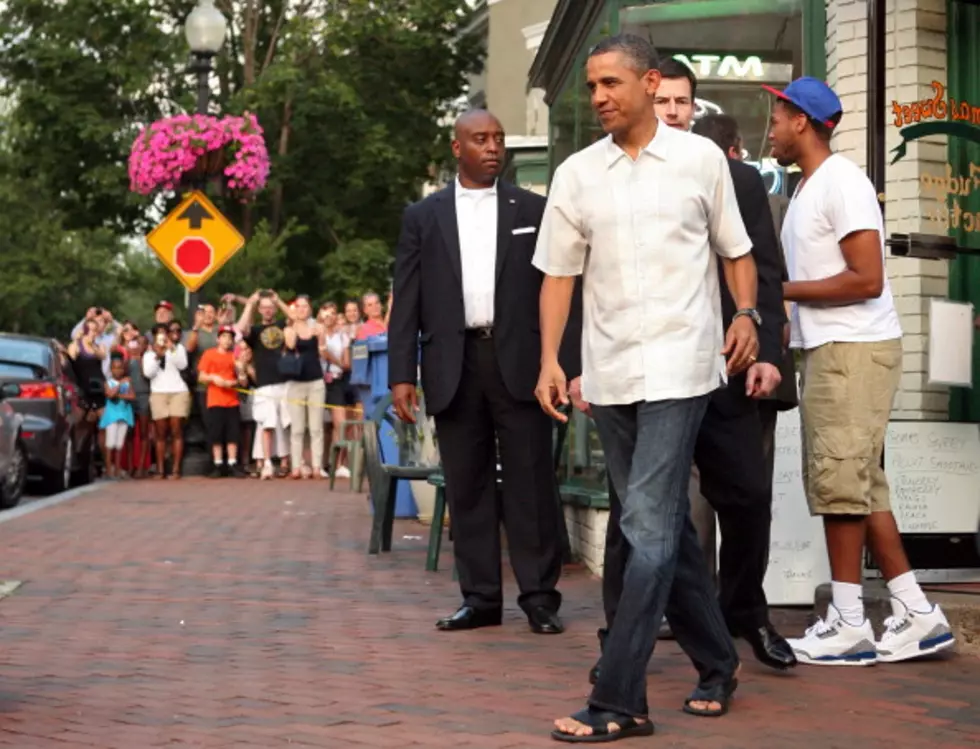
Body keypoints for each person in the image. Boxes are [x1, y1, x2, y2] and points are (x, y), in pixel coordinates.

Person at [533, 34, 759, 741]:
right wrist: (549, 359)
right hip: (611, 373)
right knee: (657, 527)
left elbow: (738, 250)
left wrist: (746, 313)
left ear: (648, 82)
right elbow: (558, 275)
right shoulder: (576, 174)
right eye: (592, 85)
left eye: (610, 83)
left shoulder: (699, 162)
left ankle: (620, 696)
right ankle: (719, 659)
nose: (598, 96)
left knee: (647, 527)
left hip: (683, 369)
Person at [765, 77, 955, 665]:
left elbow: (867, 278)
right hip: (836, 350)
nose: (769, 127)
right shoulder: (812, 187)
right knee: (859, 483)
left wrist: (779, 291)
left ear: (801, 121)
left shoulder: (841, 182)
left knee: (842, 487)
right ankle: (918, 613)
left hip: (853, 350)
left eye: (776, 116)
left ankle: (849, 622)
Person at [389, 108, 580, 636]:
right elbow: (406, 298)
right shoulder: (423, 217)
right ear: (457, 148)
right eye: (480, 139)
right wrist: (402, 372)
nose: (493, 147)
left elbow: (560, 286)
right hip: (454, 363)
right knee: (467, 485)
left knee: (531, 483)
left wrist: (564, 361)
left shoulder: (533, 210)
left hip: (519, 359)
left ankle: (540, 598)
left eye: (498, 139)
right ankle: (480, 598)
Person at [236, 290, 289, 479]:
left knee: (284, 423)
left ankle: (284, 462)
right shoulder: (256, 330)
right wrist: (250, 304)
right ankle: (267, 462)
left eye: (270, 307)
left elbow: (295, 318)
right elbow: (240, 329)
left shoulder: (283, 325)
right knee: (267, 424)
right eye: (264, 307)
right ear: (260, 310)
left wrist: (278, 299)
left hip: (284, 380)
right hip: (264, 382)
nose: (267, 310)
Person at [282, 295, 327, 479]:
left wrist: (321, 336)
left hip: (315, 381)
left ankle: (317, 466)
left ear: (310, 309)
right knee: (297, 428)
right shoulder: (289, 328)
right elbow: (290, 344)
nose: (302, 310)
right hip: (296, 383)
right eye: (298, 307)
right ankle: (296, 466)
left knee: (316, 427)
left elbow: (323, 353)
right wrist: (295, 327)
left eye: (305, 307)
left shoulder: (318, 327)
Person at [198, 325, 248, 478]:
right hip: (215, 399)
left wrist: (240, 372)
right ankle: (218, 463)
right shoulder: (209, 354)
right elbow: (201, 377)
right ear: (218, 339)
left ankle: (232, 463)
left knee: (233, 433)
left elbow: (243, 383)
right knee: (216, 434)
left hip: (232, 400)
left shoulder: (234, 357)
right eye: (224, 337)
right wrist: (214, 378)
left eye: (230, 337)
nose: (227, 340)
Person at [143, 321, 190, 480]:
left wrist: (171, 348)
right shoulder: (149, 353)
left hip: (178, 391)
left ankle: (176, 469)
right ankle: (160, 469)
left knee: (176, 430)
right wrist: (158, 355)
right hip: (158, 393)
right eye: (159, 335)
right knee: (161, 432)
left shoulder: (178, 348)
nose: (163, 338)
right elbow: (148, 373)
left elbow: (182, 365)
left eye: (165, 334)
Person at [99, 354, 135, 479]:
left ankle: (117, 469)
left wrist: (120, 394)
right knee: (110, 443)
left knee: (120, 444)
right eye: (115, 368)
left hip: (124, 415)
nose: (118, 371)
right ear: (111, 369)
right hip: (112, 416)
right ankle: (109, 468)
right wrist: (120, 385)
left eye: (120, 368)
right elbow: (110, 395)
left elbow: (132, 396)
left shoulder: (128, 382)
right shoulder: (108, 382)